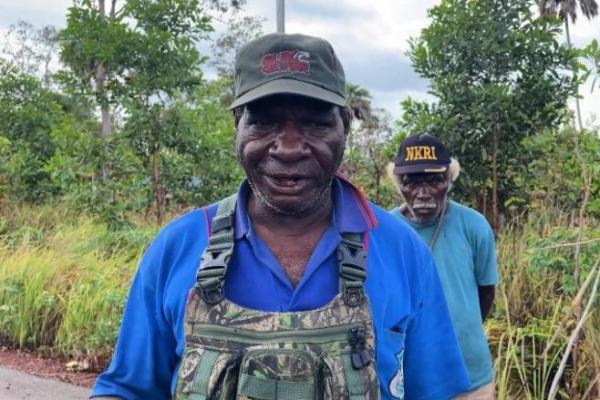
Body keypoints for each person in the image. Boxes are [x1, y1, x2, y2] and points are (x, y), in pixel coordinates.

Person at [91, 33, 470, 400]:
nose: (288, 148)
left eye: (315, 123)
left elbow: (441, 392)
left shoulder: (400, 249)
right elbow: (127, 390)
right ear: (237, 125)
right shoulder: (178, 246)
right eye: (264, 121)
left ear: (345, 128)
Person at [387, 133, 498, 400]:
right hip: (409, 378)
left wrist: (457, 332)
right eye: (412, 182)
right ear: (398, 184)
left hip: (471, 376)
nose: (423, 193)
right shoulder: (385, 230)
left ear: (448, 181)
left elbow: (486, 292)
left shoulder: (474, 225)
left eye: (434, 180)